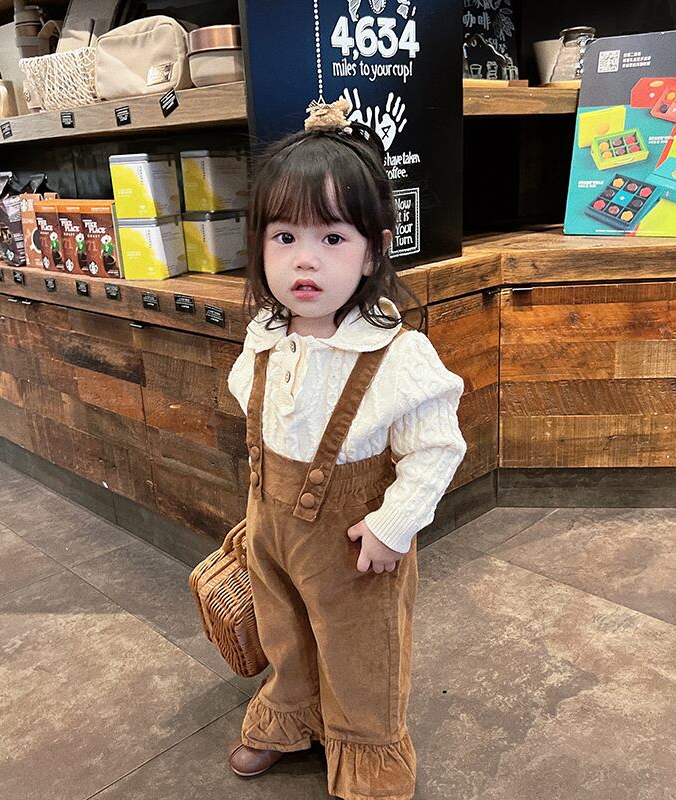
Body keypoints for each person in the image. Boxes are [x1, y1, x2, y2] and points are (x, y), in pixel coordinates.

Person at [225, 99, 467, 800]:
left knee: (362, 651)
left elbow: (437, 449)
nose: (304, 258)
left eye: (332, 237)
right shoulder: (264, 338)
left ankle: (366, 753)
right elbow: (257, 412)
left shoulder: (398, 354)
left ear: (374, 250)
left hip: (358, 544)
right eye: (283, 236)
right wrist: (262, 502)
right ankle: (290, 715)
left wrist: (396, 525)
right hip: (272, 527)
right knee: (285, 632)